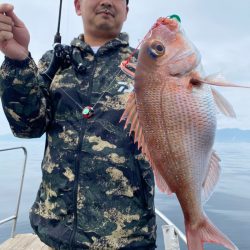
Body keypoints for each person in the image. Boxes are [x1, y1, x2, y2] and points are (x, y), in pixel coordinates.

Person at [0, 0, 157, 249]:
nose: (106, 1)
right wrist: (18, 61)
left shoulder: (150, 66)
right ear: (77, 6)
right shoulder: (55, 62)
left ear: (127, 11)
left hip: (126, 236)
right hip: (55, 233)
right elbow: (27, 127)